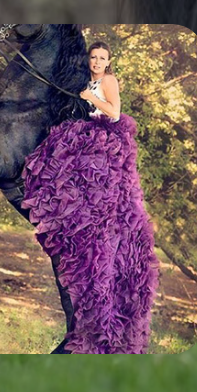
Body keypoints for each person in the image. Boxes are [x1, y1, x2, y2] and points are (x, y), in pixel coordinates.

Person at [21, 41, 159, 352]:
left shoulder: (108, 80)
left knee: (95, 189)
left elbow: (115, 113)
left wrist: (91, 97)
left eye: (102, 58)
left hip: (103, 138)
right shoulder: (85, 78)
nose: (96, 62)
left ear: (108, 61)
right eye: (93, 57)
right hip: (86, 131)